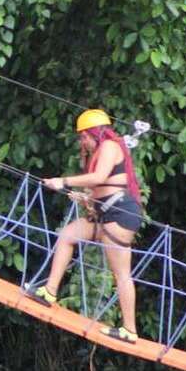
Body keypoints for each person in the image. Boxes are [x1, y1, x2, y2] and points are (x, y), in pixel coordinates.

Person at [25, 109, 144, 344]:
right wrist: (84, 198)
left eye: (84, 136)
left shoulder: (110, 146)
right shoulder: (101, 150)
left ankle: (129, 330)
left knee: (121, 274)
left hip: (120, 214)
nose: (83, 141)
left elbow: (99, 178)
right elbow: (102, 187)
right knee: (68, 234)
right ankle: (49, 291)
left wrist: (64, 181)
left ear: (96, 133)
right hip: (107, 213)